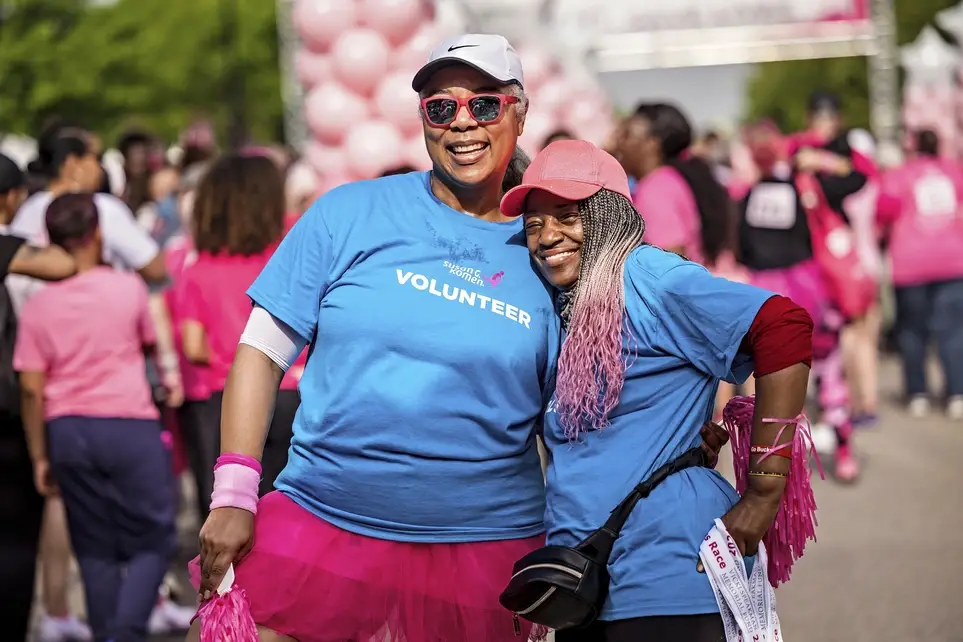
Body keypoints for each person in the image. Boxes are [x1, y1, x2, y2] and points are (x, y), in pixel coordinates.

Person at [189, 34, 727, 642]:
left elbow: (610, 382)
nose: (462, 122)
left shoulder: (552, 249)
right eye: (441, 107)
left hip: (484, 550)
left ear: (519, 112)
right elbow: (261, 351)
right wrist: (233, 493)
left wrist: (692, 428)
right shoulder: (348, 213)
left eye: (485, 104)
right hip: (324, 521)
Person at [500, 139, 813, 641]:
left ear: (607, 216)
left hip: (669, 575)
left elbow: (782, 325)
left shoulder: (647, 277)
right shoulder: (563, 303)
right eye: (533, 224)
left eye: (567, 216)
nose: (547, 236)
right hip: (587, 589)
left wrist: (763, 491)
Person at [14, 193, 178, 642]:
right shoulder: (127, 287)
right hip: (128, 423)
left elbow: (31, 387)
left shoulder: (38, 305)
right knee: (154, 537)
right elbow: (149, 343)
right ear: (98, 233)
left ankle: (108, 631)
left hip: (67, 429)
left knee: (93, 546)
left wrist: (39, 454)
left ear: (49, 239)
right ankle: (125, 630)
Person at [739, 120, 866, 482]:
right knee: (828, 370)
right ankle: (844, 451)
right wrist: (824, 159)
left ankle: (773, 467)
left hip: (765, 298)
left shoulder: (747, 196)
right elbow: (859, 176)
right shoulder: (804, 185)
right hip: (809, 291)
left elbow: (744, 249)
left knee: (770, 382)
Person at [177, 154, 301, 506]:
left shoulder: (199, 269)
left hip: (227, 399)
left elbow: (194, 346)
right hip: (294, 392)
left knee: (233, 505)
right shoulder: (289, 256)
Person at [0, 153, 79, 642]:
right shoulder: (5, 245)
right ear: (10, 197)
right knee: (12, 540)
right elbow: (62, 263)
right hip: (4, 417)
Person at [877, 129, 963, 420]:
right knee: (953, 331)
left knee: (913, 331)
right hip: (953, 261)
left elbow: (883, 212)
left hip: (911, 264)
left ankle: (918, 393)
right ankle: (957, 392)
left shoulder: (900, 176)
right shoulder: (955, 172)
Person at [621, 103, 735, 270]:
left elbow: (669, 266)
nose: (619, 143)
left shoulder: (657, 190)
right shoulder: (663, 182)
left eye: (627, 135)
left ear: (652, 143)